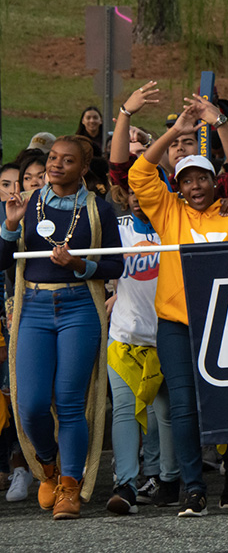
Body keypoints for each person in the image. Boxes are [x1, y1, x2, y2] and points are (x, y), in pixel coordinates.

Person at [128, 95, 228, 518]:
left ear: (215, 181)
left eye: (202, 178)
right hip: (177, 324)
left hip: (226, 325)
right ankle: (193, 488)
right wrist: (178, 130)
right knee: (183, 407)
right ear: (178, 187)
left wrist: (218, 121)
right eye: (187, 181)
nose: (195, 186)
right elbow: (139, 171)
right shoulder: (168, 211)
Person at [1, 134, 124, 520]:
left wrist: (79, 266)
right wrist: (9, 224)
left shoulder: (99, 210)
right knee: (31, 404)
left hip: (79, 308)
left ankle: (69, 486)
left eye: (66, 161)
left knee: (71, 402)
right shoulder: (28, 204)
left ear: (83, 169)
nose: (55, 165)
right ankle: (49, 467)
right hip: (33, 307)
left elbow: (116, 266)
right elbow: (3, 260)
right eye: (52, 158)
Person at [103, 82, 179, 516]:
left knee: (168, 414)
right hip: (125, 334)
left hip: (168, 332)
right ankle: (126, 485)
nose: (137, 193)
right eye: (132, 189)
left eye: (145, 187)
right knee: (126, 412)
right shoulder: (118, 223)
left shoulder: (175, 220)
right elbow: (117, 167)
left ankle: (170, 481)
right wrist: (125, 114)